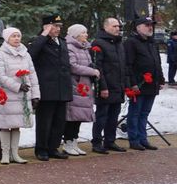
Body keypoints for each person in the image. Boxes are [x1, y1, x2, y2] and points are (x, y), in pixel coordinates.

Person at [29, 14, 72, 161]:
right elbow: (31, 54)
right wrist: (43, 35)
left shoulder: (62, 42)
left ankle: (53, 147)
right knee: (45, 121)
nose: (58, 29)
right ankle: (41, 149)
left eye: (59, 26)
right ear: (46, 27)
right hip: (47, 88)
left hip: (62, 88)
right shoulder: (40, 42)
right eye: (55, 26)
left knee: (59, 121)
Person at [0, 27, 39, 164]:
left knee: (16, 125)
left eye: (18, 36)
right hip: (7, 95)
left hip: (23, 96)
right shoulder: (1, 55)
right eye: (13, 36)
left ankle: (15, 153)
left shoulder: (26, 54)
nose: (17, 38)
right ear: (7, 38)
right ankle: (5, 154)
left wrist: (35, 95)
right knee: (5, 125)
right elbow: (0, 76)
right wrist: (17, 86)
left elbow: (32, 75)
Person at [124, 16, 164, 151]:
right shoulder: (131, 42)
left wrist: (161, 79)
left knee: (145, 113)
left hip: (152, 84)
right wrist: (132, 83)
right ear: (138, 27)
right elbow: (128, 64)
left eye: (151, 25)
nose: (150, 27)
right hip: (139, 84)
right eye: (147, 25)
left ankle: (143, 138)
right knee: (135, 112)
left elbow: (157, 62)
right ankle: (134, 139)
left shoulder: (152, 43)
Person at [91, 17, 128, 153]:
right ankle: (96, 142)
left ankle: (110, 141)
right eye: (114, 26)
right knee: (102, 116)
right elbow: (97, 67)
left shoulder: (119, 43)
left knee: (113, 116)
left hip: (118, 86)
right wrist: (103, 87)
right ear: (105, 27)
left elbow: (123, 66)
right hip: (106, 87)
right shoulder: (98, 43)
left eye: (119, 26)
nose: (118, 28)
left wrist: (125, 84)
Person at [63, 24, 98, 156]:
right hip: (75, 85)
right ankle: (68, 142)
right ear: (76, 34)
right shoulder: (70, 47)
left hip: (85, 85)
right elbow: (72, 66)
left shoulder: (84, 47)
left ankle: (74, 141)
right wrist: (92, 71)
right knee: (72, 116)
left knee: (79, 116)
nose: (86, 35)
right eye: (83, 33)